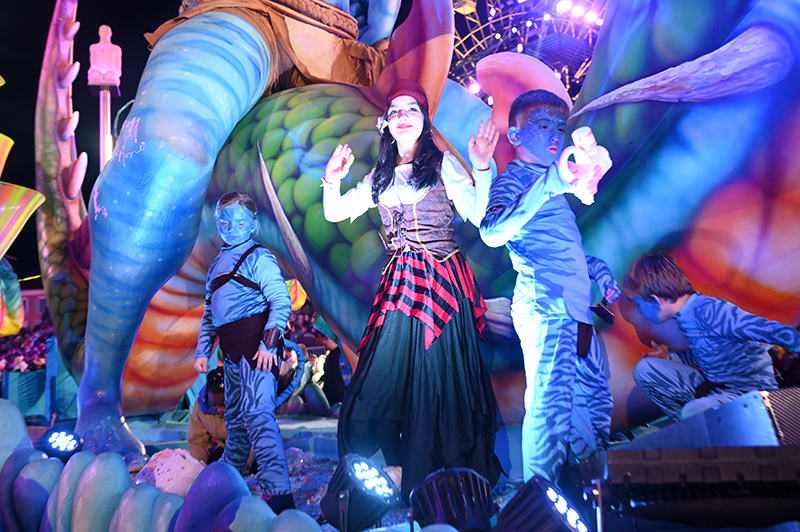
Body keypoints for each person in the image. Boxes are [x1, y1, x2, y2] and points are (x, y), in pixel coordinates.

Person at [322, 79, 503, 500]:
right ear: (386, 123)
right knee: (380, 378)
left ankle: (440, 476)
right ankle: (398, 466)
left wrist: (480, 168)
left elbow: (479, 217)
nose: (403, 117)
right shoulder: (380, 176)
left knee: (437, 380)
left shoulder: (443, 165)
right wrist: (332, 180)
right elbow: (336, 212)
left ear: (424, 119)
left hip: (441, 282)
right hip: (399, 285)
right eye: (396, 111)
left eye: (412, 110)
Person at [479, 89, 619, 484]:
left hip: (575, 310)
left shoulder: (555, 183)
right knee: (550, 409)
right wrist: (551, 184)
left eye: (560, 127)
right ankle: (541, 500)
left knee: (594, 406)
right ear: (515, 135)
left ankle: (592, 494)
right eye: (542, 125)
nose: (555, 134)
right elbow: (492, 231)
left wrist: (598, 272)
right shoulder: (515, 180)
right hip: (546, 307)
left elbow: (560, 248)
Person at [194, 190, 297, 513]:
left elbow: (281, 301)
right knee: (236, 422)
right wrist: (202, 352)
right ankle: (229, 481)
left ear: (252, 224)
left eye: (239, 222)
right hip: (233, 355)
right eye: (225, 222)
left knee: (258, 416)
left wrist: (269, 344)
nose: (232, 228)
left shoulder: (259, 257)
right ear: (217, 223)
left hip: (257, 349)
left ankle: (278, 493)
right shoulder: (215, 266)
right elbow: (210, 314)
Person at [621, 250, 800, 421]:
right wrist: (670, 358)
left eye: (639, 305)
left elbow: (768, 329)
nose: (641, 312)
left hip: (750, 393)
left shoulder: (712, 311)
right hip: (718, 388)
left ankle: (698, 428)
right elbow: (708, 355)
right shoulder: (686, 316)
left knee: (693, 411)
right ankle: (687, 428)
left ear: (656, 300)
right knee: (645, 369)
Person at [187, 367, 257, 469]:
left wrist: (242, 467)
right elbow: (198, 442)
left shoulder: (251, 406)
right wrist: (199, 468)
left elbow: (256, 440)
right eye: (214, 405)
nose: (220, 409)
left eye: (225, 404)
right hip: (224, 449)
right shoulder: (201, 408)